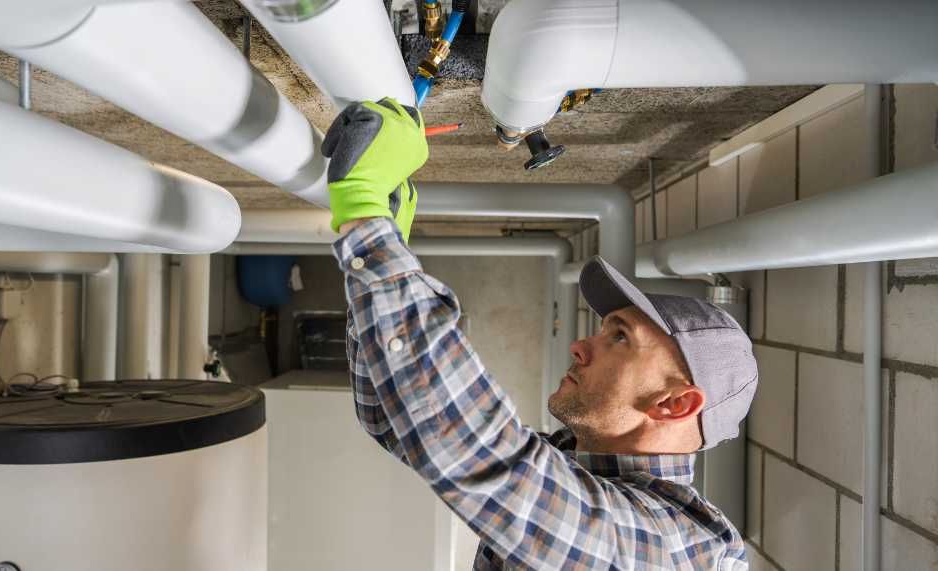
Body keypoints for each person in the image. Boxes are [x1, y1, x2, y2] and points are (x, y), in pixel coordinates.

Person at [321, 98, 758, 570]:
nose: (581, 345)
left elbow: (486, 460)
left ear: (674, 404)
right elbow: (398, 420)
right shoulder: (578, 467)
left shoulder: (680, 549)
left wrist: (367, 218)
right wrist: (384, 240)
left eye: (619, 338)